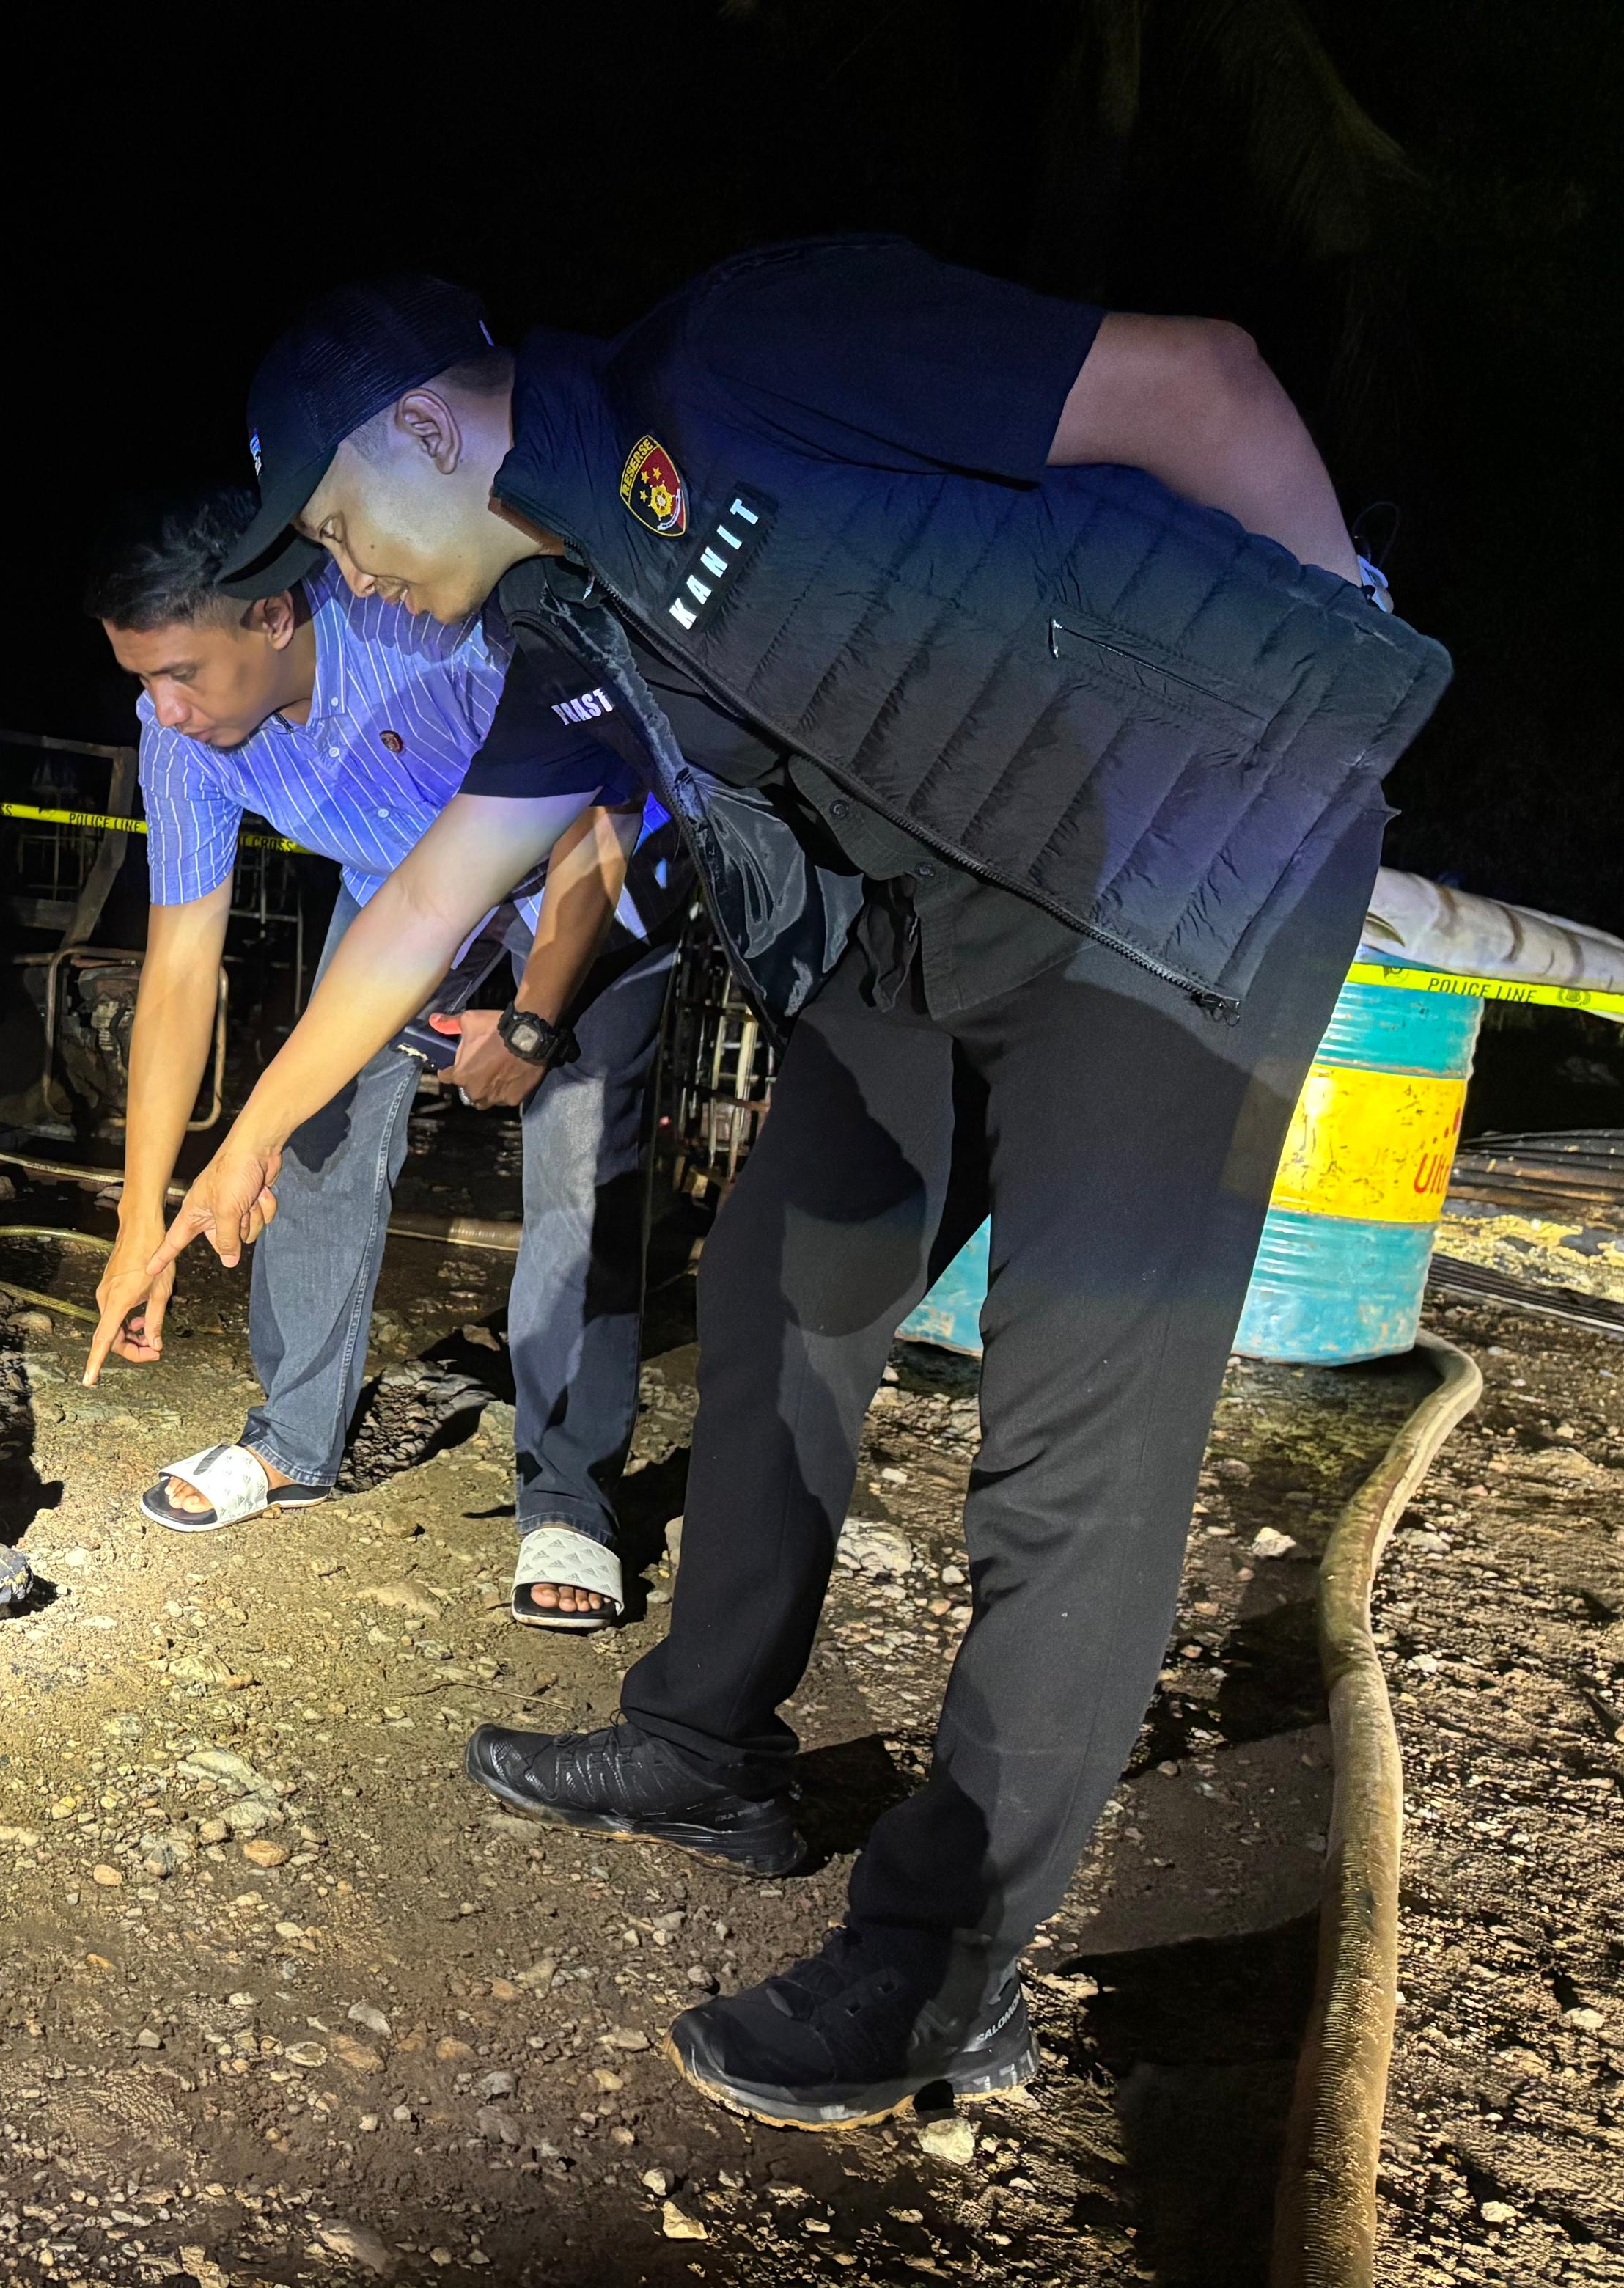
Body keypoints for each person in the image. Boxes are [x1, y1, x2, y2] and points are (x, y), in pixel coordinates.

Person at [146, 246, 1449, 2128]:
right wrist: (250, 1140)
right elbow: (430, 897)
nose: (337, 572)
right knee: (777, 1288)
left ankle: (942, 1965)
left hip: (1171, 892)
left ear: (423, 424)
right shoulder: (575, 612)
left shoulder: (754, 353)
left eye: (335, 520)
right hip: (932, 928)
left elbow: (1204, 385)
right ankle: (704, 1750)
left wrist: (1317, 681)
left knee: (1071, 1437)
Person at [81, 485, 675, 1626]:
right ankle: (295, 1436)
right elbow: (179, 971)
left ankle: (568, 1499)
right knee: (311, 1132)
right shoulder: (182, 741)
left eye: (181, 674)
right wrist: (137, 1220)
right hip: (397, 902)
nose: (162, 710)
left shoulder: (429, 636)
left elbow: (606, 794)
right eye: (138, 681)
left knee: (575, 1181)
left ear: (267, 618)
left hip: (579, 881)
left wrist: (541, 1015)